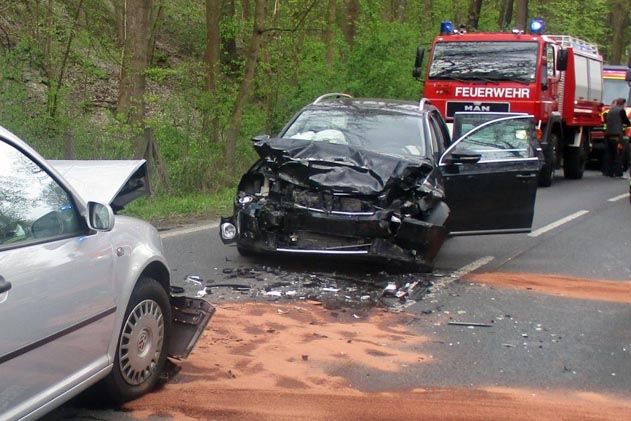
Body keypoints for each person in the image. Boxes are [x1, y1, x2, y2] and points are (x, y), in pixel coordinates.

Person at [603, 98, 631, 177]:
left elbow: (606, 120)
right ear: (623, 104)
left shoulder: (610, 110)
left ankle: (608, 172)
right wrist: (628, 124)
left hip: (608, 135)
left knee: (609, 154)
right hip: (617, 136)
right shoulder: (621, 111)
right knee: (619, 154)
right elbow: (626, 121)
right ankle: (618, 173)